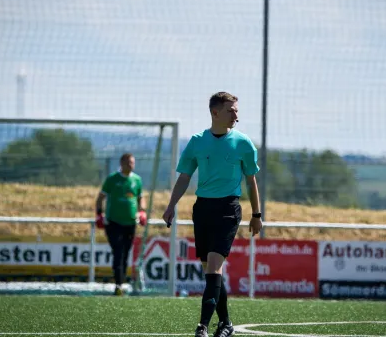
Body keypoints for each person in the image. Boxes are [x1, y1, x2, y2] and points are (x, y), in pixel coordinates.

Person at [163, 92, 263, 337]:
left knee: (214, 267)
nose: (236, 115)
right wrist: (170, 205)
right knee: (211, 270)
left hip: (228, 209)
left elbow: (251, 181)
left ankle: (203, 326)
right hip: (203, 209)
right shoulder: (197, 141)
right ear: (215, 113)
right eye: (231, 110)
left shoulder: (243, 143)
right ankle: (227, 323)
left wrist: (257, 214)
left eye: (237, 110)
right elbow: (184, 176)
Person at [96, 153, 147, 296]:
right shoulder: (112, 179)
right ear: (122, 163)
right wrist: (99, 214)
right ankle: (118, 284)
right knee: (118, 252)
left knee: (125, 254)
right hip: (113, 223)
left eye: (133, 162)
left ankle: (121, 284)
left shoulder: (137, 180)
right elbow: (100, 198)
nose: (132, 165)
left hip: (130, 223)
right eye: (129, 162)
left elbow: (140, 198)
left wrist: (142, 211)